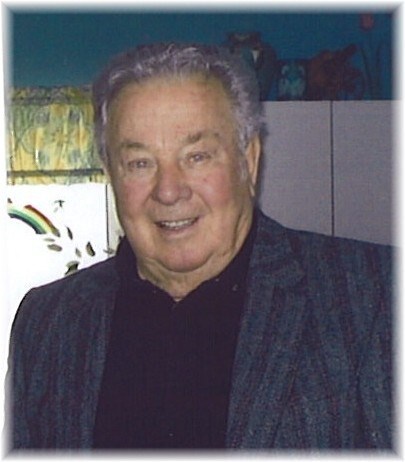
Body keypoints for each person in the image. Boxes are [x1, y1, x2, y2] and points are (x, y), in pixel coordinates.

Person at [7, 42, 393, 450]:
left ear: (249, 161)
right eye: (140, 163)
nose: (169, 191)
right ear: (110, 174)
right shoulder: (47, 322)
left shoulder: (375, 295)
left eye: (196, 157)